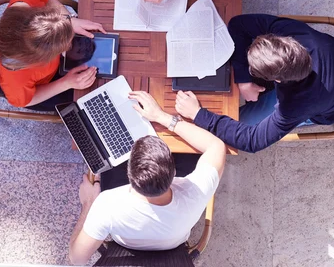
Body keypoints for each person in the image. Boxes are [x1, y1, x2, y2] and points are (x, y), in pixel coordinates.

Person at [68, 91, 226, 265]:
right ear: (174, 172)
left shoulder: (106, 205)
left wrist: (88, 204)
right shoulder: (195, 193)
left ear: (129, 173)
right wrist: (162, 117)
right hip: (173, 247)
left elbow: (77, 259)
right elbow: (216, 146)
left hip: (124, 246)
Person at [175, 14, 334, 153]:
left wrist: (198, 114)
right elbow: (239, 24)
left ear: (277, 81)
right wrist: (244, 79)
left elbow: (252, 141)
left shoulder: (294, 107)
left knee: (242, 121)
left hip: (331, 103)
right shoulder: (293, 33)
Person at [0, 0, 106, 110]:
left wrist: (69, 19)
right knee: (92, 98)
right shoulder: (15, 80)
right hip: (43, 87)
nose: (70, 46)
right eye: (62, 48)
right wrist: (66, 83)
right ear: (38, 59)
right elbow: (26, 100)